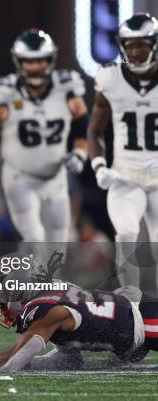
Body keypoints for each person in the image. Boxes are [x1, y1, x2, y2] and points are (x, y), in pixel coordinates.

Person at [0, 29, 89, 244]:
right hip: (19, 177)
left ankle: (38, 278)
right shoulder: (3, 92)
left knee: (59, 244)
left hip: (56, 178)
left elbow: (83, 128)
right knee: (35, 238)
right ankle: (29, 277)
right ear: (19, 62)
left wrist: (80, 154)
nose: (35, 68)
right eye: (29, 62)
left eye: (40, 61)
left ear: (51, 60)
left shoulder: (66, 88)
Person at [0, 254, 155, 372]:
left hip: (143, 322)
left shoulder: (43, 309)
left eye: (3, 295)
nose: (2, 304)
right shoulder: (53, 291)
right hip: (131, 321)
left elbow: (10, 364)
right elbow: (69, 360)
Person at [87, 13, 158, 288]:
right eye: (131, 45)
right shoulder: (110, 78)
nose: (137, 51)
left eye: (142, 44)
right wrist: (99, 166)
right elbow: (95, 129)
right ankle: (131, 312)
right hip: (125, 175)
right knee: (126, 234)